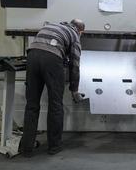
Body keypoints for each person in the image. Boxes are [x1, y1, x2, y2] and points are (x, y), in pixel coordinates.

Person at [20, 19, 86, 157]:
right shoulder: (74, 35)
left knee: (31, 105)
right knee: (55, 105)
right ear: (80, 31)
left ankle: (26, 148)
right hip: (52, 58)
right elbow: (75, 65)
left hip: (32, 56)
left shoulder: (53, 25)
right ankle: (54, 147)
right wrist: (74, 90)